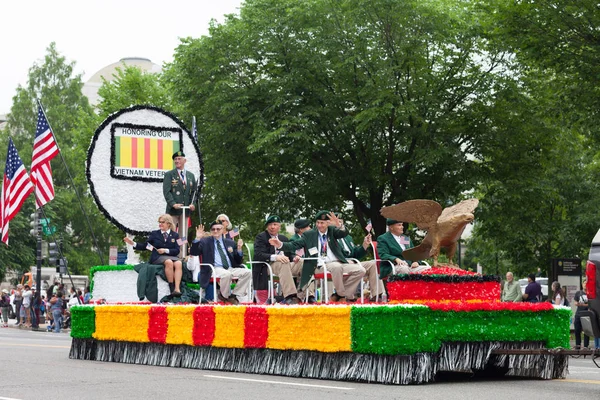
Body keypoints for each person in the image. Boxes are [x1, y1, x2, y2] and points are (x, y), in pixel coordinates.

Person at [270, 210, 365, 303]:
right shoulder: (309, 234)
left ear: (328, 223)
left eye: (322, 223)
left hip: (338, 262)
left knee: (360, 270)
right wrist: (280, 244)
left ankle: (340, 295)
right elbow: (294, 245)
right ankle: (342, 296)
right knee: (337, 267)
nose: (319, 225)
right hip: (320, 265)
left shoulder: (332, 231)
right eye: (317, 222)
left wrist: (339, 225)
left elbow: (344, 233)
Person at [190, 220, 251, 305]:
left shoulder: (230, 242)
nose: (215, 231)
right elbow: (194, 252)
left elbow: (238, 261)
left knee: (248, 272)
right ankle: (224, 296)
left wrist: (239, 249)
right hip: (214, 269)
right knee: (226, 274)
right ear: (211, 231)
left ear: (222, 230)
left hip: (230, 268)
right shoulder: (205, 241)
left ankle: (233, 295)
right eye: (213, 229)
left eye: (218, 229)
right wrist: (197, 238)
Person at [124, 214, 183, 297]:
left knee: (178, 263)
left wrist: (165, 250)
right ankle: (171, 287)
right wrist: (133, 243)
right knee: (169, 262)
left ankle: (177, 289)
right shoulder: (154, 234)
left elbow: (177, 250)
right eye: (159, 222)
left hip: (171, 256)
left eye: (162, 222)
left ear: (168, 224)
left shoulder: (175, 235)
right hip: (158, 257)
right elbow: (146, 246)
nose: (160, 224)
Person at [253, 215, 304, 304]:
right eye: (270, 224)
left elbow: (290, 253)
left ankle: (304, 295)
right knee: (283, 263)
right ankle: (290, 296)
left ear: (279, 226)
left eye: (275, 224)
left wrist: (295, 257)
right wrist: (276, 257)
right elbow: (259, 254)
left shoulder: (283, 238)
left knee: (303, 262)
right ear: (267, 226)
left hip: (286, 264)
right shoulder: (261, 237)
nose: (272, 227)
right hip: (268, 265)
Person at [335, 213, 382, 302]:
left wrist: (364, 245)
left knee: (371, 264)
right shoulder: (331, 236)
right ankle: (346, 296)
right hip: (340, 264)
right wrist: (346, 261)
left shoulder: (348, 237)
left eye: (341, 222)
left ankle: (376, 295)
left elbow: (355, 253)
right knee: (359, 269)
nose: (339, 224)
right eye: (337, 222)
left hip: (353, 262)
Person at [162, 151, 197, 238]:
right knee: (171, 234)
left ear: (184, 161)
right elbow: (166, 191)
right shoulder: (169, 174)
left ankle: (182, 251)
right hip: (173, 211)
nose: (177, 161)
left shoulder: (191, 176)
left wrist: (193, 204)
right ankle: (171, 251)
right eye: (175, 159)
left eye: (179, 159)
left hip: (185, 210)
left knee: (183, 236)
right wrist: (173, 204)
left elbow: (194, 192)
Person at [573, 281, 590, 349]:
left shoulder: (590, 294)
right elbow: (575, 302)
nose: (585, 285)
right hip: (579, 313)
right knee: (577, 329)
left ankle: (586, 345)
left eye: (586, 284)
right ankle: (578, 344)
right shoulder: (578, 293)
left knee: (586, 330)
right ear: (582, 285)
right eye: (584, 284)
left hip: (586, 313)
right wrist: (578, 304)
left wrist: (582, 304)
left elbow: (590, 304)